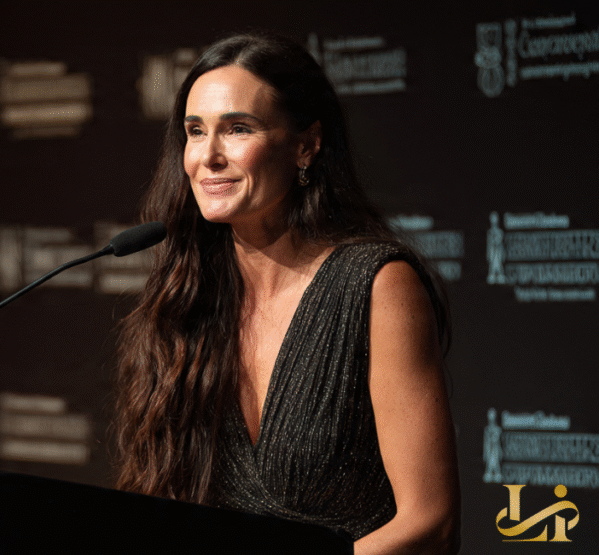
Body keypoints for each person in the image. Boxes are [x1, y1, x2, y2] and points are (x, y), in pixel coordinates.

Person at [114, 33, 460, 554]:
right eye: (194, 131)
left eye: (237, 129)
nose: (208, 156)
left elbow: (430, 521)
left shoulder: (375, 284)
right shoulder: (191, 296)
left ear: (306, 144)